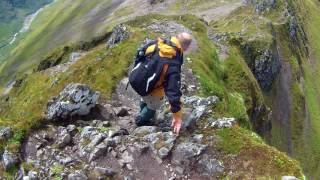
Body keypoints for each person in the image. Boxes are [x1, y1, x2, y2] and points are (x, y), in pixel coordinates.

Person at [134, 32, 192, 135]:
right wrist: (177, 116)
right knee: (154, 106)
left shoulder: (157, 43)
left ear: (176, 37)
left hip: (139, 80)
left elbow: (140, 53)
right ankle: (141, 120)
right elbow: (173, 91)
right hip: (153, 89)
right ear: (186, 48)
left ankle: (143, 110)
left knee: (145, 98)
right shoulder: (172, 62)